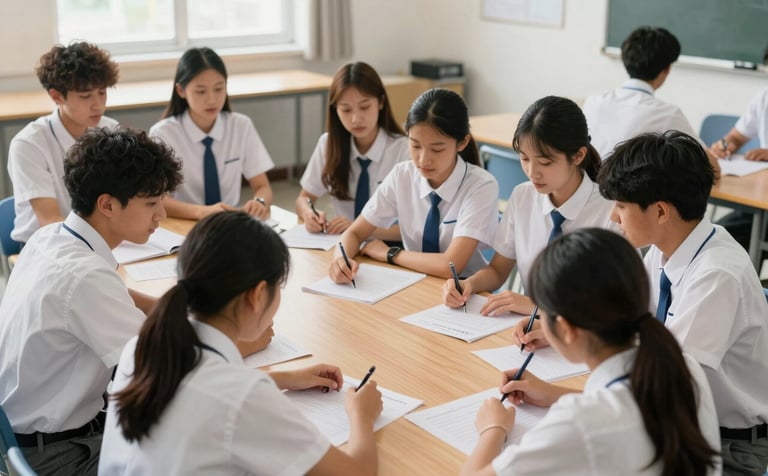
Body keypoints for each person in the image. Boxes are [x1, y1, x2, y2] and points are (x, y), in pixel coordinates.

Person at [98, 211, 384, 475]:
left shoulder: (142, 347)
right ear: (258, 295)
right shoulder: (243, 397)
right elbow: (356, 472)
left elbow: (202, 392)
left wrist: (282, 377)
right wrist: (362, 415)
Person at [461, 228, 721, 476]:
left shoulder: (580, 423)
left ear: (565, 329)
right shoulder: (682, 365)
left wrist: (493, 429)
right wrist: (553, 394)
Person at [0, 127, 182, 475]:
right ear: (107, 205)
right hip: (58, 455)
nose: (161, 214)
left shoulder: (50, 237)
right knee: (202, 453)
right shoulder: (85, 277)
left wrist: (169, 307)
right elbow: (163, 364)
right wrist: (238, 341)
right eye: (150, 203)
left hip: (22, 436)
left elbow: (116, 295)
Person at [598, 131, 768, 475]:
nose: (613, 218)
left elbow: (666, 385)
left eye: (620, 206)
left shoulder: (717, 275)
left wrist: (560, 397)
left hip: (732, 447)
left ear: (660, 211)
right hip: (684, 422)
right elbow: (630, 319)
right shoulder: (669, 248)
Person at [443, 96, 615, 317]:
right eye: (524, 159)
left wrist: (537, 308)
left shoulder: (611, 212)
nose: (533, 173)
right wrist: (469, 284)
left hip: (582, 334)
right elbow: (497, 270)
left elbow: (611, 304)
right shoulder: (523, 196)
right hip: (525, 328)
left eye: (545, 162)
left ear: (578, 155)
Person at [329, 88, 498, 281]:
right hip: (414, 282)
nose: (424, 159)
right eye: (415, 146)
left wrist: (390, 254)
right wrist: (340, 260)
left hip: (466, 289)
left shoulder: (481, 186)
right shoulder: (403, 175)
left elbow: (450, 266)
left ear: (462, 142)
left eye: (437, 149)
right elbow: (355, 232)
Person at [7, 41, 119, 243]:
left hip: (101, 241)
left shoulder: (111, 130)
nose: (98, 105)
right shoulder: (29, 145)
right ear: (56, 96)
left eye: (102, 92)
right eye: (85, 96)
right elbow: (50, 221)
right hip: (46, 246)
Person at [150, 47, 274, 220]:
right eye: (201, 91)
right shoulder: (163, 133)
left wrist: (259, 202)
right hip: (185, 221)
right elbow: (157, 198)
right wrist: (201, 212)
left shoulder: (241, 125)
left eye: (218, 89)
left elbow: (263, 186)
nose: (212, 100)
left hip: (229, 223)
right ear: (181, 91)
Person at [582, 26, 721, 176]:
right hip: (624, 196)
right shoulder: (667, 114)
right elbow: (711, 168)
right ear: (667, 69)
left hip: (588, 193)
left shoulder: (593, 101)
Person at [296, 61, 408, 235]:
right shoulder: (328, 144)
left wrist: (358, 229)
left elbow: (416, 226)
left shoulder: (404, 150)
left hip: (388, 247)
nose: (356, 119)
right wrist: (309, 213)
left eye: (364, 107)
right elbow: (304, 198)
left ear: (381, 102)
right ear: (335, 110)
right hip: (343, 244)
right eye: (346, 110)